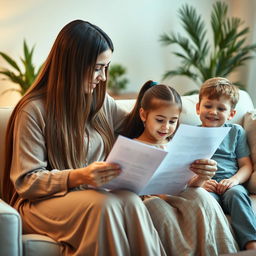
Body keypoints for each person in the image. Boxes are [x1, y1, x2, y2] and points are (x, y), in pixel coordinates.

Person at [2, 20, 167, 256]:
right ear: (74, 65)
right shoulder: (34, 110)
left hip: (90, 196)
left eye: (106, 68)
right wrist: (80, 175)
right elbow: (27, 181)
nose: (102, 76)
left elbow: (136, 130)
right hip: (39, 204)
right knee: (105, 205)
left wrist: (156, 107)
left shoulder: (100, 102)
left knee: (130, 201)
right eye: (98, 67)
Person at [121, 80, 239, 255]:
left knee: (200, 194)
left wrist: (203, 175)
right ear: (144, 115)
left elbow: (190, 183)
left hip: (178, 193)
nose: (166, 127)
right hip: (150, 199)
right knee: (154, 205)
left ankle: (224, 251)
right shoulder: (132, 146)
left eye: (173, 121)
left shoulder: (177, 145)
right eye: (160, 120)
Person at [196, 77, 256, 251]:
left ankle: (251, 243)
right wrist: (200, 182)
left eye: (221, 108)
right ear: (198, 107)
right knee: (204, 201)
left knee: (237, 195)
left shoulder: (235, 132)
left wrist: (235, 180)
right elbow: (184, 166)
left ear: (231, 114)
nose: (213, 112)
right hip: (205, 186)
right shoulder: (192, 133)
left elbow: (246, 165)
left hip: (230, 185)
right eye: (208, 106)